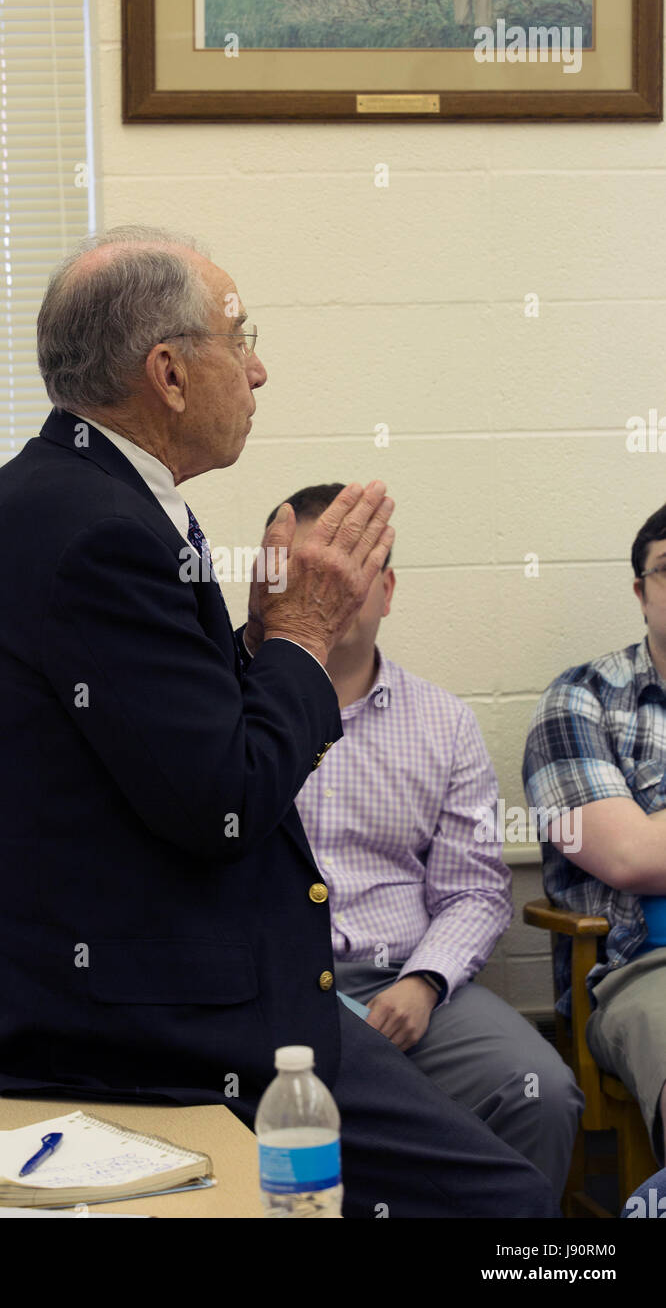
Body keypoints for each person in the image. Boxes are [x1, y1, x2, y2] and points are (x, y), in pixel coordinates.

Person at [0, 224, 558, 1217]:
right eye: (243, 336)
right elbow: (222, 797)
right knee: (507, 1211)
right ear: (169, 374)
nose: (260, 370)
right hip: (147, 1022)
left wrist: (263, 635)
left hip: (166, 990)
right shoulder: (97, 529)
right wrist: (301, 636)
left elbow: (164, 744)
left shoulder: (71, 500)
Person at [240, 483, 583, 1196]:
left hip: (406, 983)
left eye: (352, 566)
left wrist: (424, 983)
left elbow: (476, 890)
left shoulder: (444, 723)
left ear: (387, 589)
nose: (331, 586)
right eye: (311, 569)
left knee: (539, 1088)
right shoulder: (224, 707)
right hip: (266, 993)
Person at [523, 501, 666, 1168]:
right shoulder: (580, 700)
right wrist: (642, 843)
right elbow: (630, 857)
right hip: (646, 968)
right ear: (641, 591)